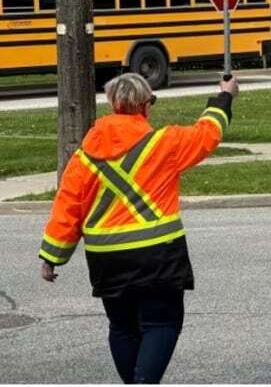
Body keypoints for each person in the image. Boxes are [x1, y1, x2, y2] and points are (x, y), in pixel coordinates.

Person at [38, 73, 239, 384]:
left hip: (107, 259)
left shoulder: (85, 158)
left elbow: (68, 207)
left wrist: (52, 255)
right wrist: (225, 96)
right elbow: (207, 133)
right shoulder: (165, 143)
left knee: (122, 327)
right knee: (161, 324)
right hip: (158, 257)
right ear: (145, 105)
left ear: (112, 104)